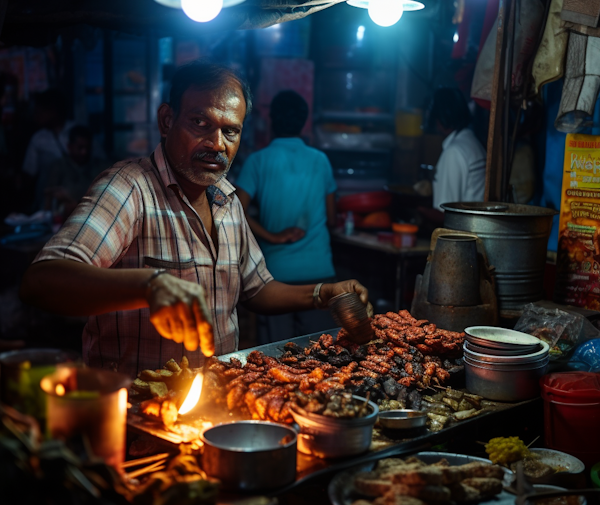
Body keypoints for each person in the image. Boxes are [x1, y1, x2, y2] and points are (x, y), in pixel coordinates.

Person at [19, 61, 368, 378]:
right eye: (200, 123)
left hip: (218, 405)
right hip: (138, 412)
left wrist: (325, 293)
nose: (217, 144)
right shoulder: (130, 187)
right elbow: (42, 281)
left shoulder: (226, 198)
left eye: (230, 131)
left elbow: (257, 288)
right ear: (167, 121)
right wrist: (148, 286)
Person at [236, 90, 337, 342]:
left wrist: (272, 236)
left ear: (272, 120)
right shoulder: (321, 160)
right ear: (304, 122)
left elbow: (234, 210)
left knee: (277, 361)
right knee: (321, 360)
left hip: (275, 279)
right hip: (319, 272)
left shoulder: (257, 161)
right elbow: (332, 219)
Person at [428, 87, 487, 210]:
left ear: (441, 117)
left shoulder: (454, 152)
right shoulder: (471, 141)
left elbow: (445, 212)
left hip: (465, 226)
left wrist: (419, 210)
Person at [43, 125, 107, 219]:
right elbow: (48, 201)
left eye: (87, 148)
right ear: (70, 147)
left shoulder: (99, 167)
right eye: (80, 148)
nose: (84, 152)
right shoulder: (59, 167)